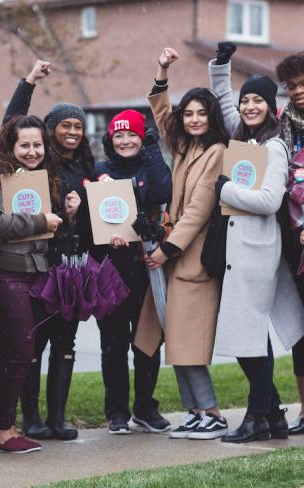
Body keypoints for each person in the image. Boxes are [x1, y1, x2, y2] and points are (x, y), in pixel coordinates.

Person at [209, 47, 304, 443]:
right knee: (247, 338)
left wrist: (226, 188)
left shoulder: (275, 146)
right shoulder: (242, 141)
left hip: (261, 249)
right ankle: (271, 417)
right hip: (240, 250)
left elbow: (269, 200)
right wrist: (220, 67)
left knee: (250, 337)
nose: (249, 107)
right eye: (246, 100)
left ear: (272, 107)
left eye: (258, 101)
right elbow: (224, 102)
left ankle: (257, 417)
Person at [135, 48, 229, 440]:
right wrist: (162, 69)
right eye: (188, 113)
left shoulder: (216, 153)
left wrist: (166, 249)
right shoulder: (186, 148)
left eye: (200, 113)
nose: (192, 119)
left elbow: (198, 211)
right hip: (175, 258)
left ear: (212, 118)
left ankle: (213, 413)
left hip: (193, 259)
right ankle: (194, 410)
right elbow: (160, 113)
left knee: (189, 342)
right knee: (174, 341)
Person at [5, 60, 95, 440]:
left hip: (73, 266)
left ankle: (57, 418)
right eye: (65, 125)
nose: (72, 132)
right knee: (35, 341)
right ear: (50, 131)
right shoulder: (41, 161)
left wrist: (79, 211)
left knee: (65, 341)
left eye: (77, 126)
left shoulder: (89, 164)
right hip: (41, 262)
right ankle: (32, 419)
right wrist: (28, 83)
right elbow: (13, 123)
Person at [0, 114, 80, 453]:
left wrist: (67, 216)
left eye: (37, 144)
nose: (31, 151)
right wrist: (41, 219)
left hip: (37, 272)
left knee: (22, 353)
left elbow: (46, 233)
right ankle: (2, 430)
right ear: (10, 146)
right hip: (5, 272)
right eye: (24, 145)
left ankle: (5, 427)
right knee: (20, 351)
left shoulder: (45, 177)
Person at [93, 109, 172, 434]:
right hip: (110, 269)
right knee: (113, 344)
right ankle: (116, 412)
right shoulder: (99, 170)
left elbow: (164, 193)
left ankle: (145, 407)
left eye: (133, 135)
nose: (125, 141)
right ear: (110, 138)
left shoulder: (151, 168)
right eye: (119, 135)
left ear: (143, 138)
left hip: (146, 267)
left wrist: (152, 151)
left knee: (147, 341)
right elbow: (93, 218)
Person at [275, 50, 304, 435]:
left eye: (303, 83)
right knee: (301, 330)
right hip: (293, 240)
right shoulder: (285, 126)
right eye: (292, 86)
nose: (298, 91)